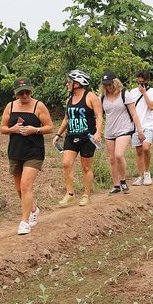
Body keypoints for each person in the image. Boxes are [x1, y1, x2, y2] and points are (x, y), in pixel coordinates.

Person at [0, 78, 53, 235]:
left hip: (34, 151)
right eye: (21, 92)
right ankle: (33, 209)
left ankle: (25, 222)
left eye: (27, 92)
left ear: (31, 91)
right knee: (18, 188)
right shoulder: (10, 106)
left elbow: (49, 127)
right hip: (15, 151)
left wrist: (35, 130)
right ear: (16, 93)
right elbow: (2, 128)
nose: (24, 95)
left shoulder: (39, 106)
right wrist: (13, 129)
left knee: (25, 185)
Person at [53, 70, 103, 207]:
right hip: (71, 136)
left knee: (86, 167)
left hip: (87, 137)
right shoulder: (69, 99)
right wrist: (58, 134)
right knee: (66, 164)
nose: (67, 84)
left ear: (77, 83)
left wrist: (98, 132)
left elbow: (99, 115)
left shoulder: (91, 97)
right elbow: (66, 119)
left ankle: (86, 194)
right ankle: (70, 194)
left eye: (69, 81)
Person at [100, 70, 146, 195]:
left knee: (119, 155)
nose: (108, 87)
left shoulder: (125, 94)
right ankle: (116, 185)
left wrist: (140, 130)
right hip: (110, 130)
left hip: (124, 129)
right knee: (112, 159)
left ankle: (123, 180)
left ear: (115, 83)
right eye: (106, 85)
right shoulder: (102, 97)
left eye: (110, 84)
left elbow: (134, 114)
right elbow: (98, 115)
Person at [129, 70, 153, 186]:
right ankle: (141, 175)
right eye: (139, 82)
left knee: (146, 147)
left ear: (147, 81)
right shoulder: (132, 92)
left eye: (143, 82)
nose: (141, 84)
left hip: (148, 125)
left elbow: (151, 106)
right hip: (136, 126)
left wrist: (144, 93)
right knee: (139, 151)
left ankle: (147, 173)